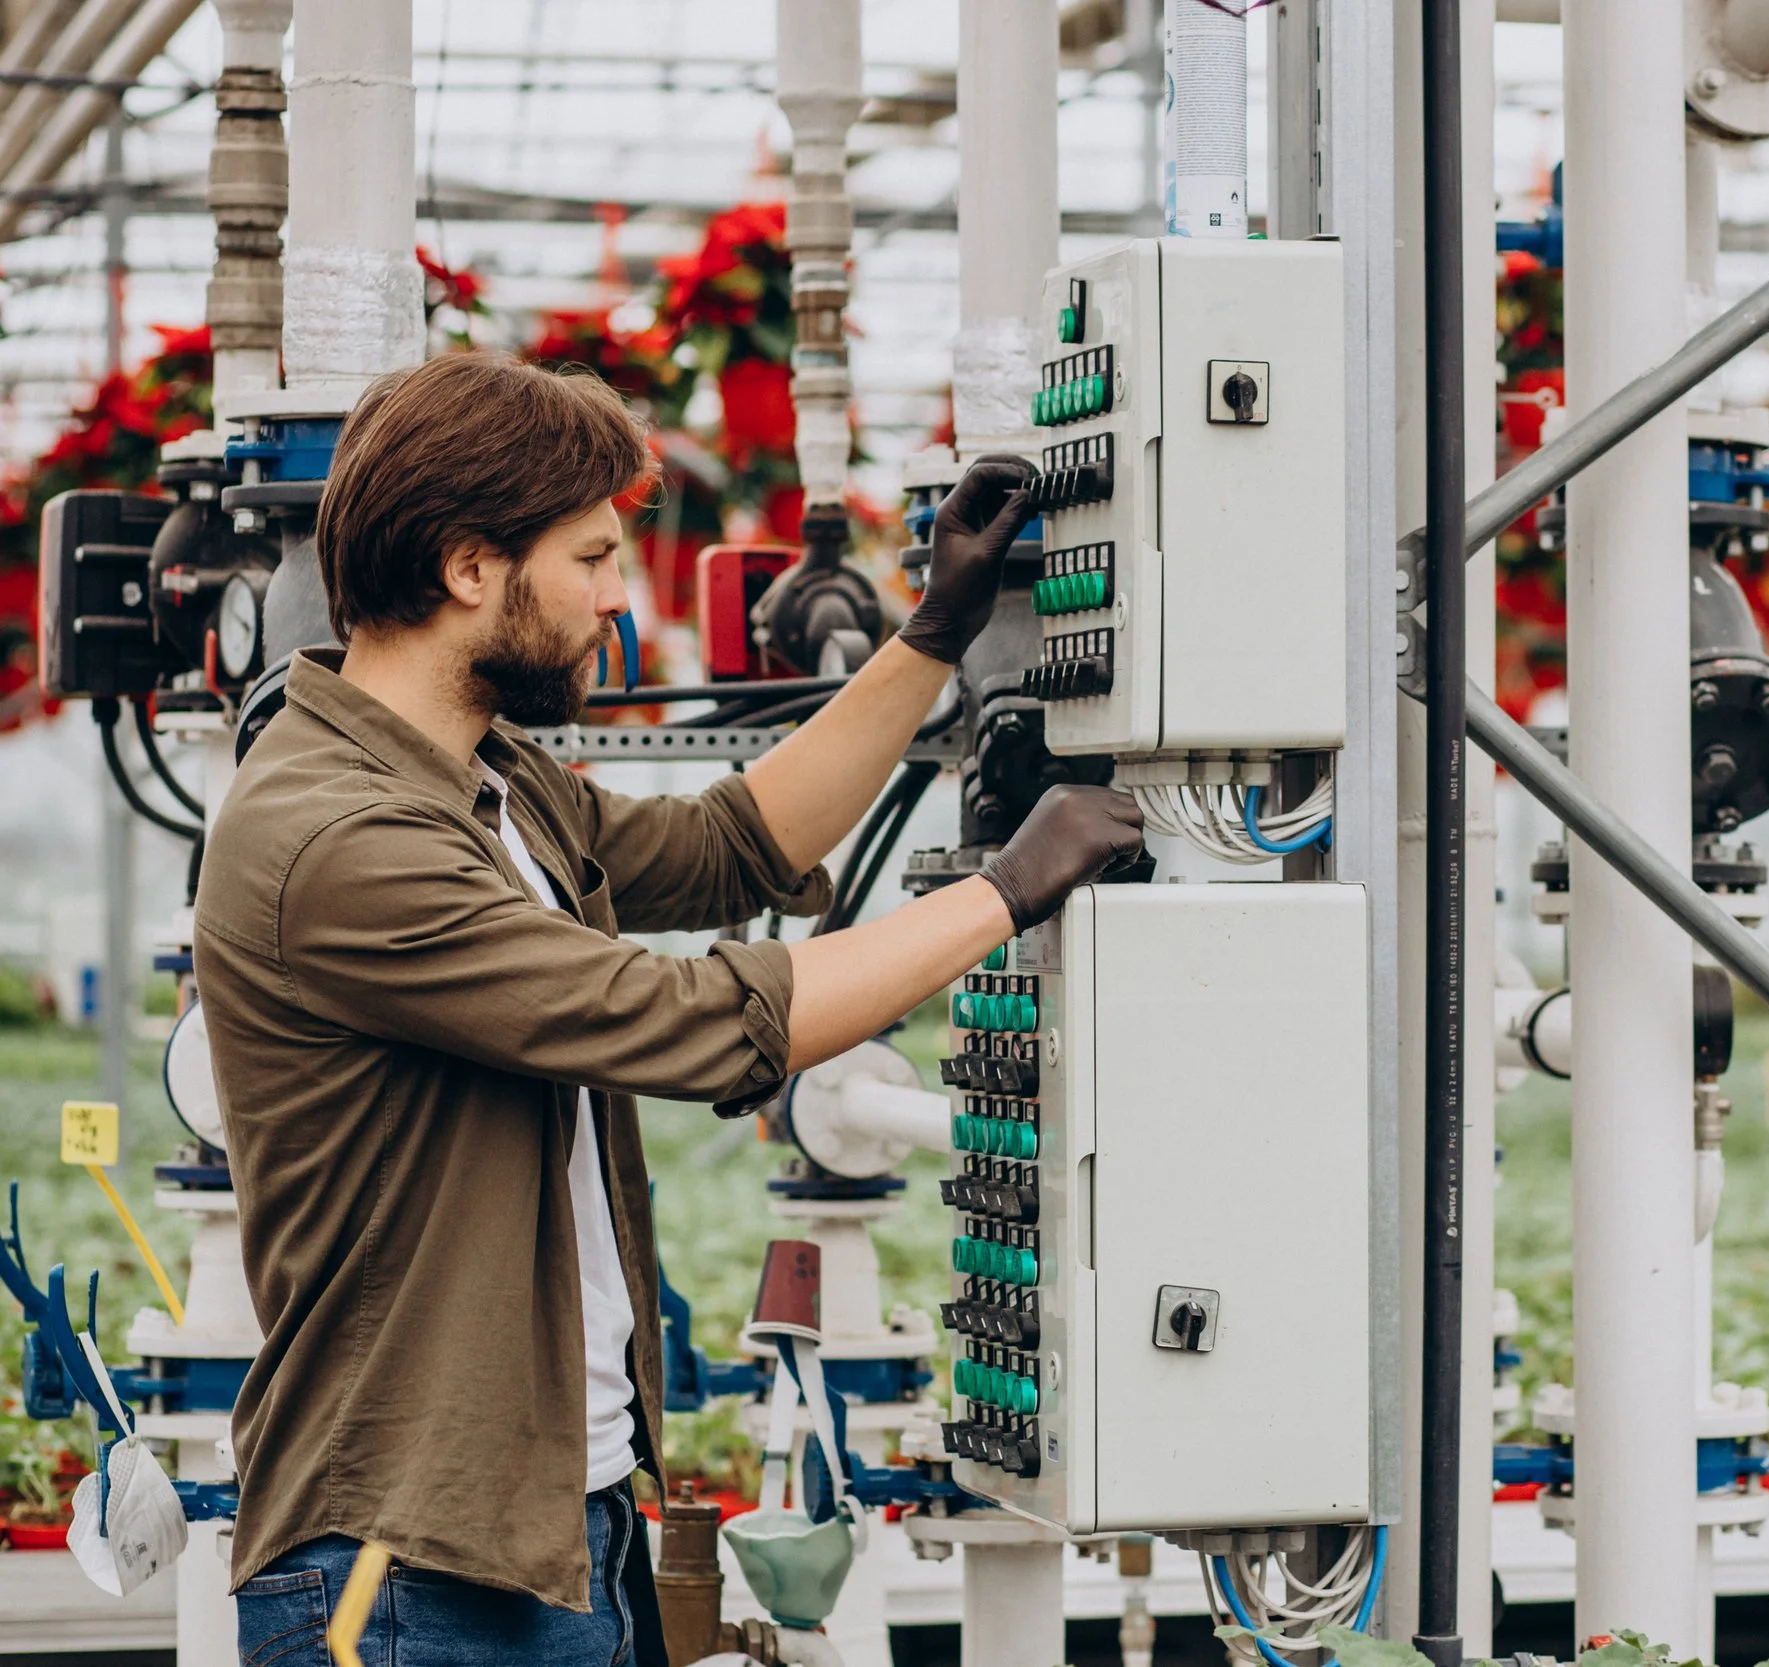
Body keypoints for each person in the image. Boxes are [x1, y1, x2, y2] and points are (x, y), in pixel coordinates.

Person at [192, 353, 1141, 1665]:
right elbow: (691, 1018)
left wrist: (937, 634)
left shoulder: (486, 778)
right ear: (471, 566)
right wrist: (1006, 890)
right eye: (588, 558)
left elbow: (731, 841)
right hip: (401, 1570)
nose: (611, 597)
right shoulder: (336, 836)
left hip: (561, 1522)